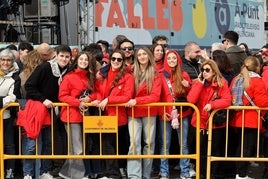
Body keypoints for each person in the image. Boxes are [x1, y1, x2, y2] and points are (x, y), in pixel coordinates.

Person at [21, 45, 71, 179]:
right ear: (56, 55)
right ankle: (27, 173)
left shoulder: (69, 71)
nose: (64, 59)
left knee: (48, 143)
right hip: (37, 110)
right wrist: (43, 100)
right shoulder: (45, 67)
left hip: (52, 112)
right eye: (61, 56)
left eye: (67, 57)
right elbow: (29, 86)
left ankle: (44, 171)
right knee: (32, 144)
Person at [92, 50, 134, 178]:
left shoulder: (128, 77)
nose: (116, 61)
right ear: (110, 59)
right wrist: (98, 99)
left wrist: (109, 100)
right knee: (105, 144)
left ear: (123, 62)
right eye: (114, 59)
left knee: (111, 145)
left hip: (117, 116)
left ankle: (113, 173)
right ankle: (109, 172)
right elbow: (96, 90)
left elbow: (127, 96)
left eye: (119, 59)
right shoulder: (102, 74)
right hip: (103, 115)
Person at [187, 60, 231, 179]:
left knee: (215, 151)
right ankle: (201, 174)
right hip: (199, 123)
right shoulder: (198, 83)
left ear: (214, 71)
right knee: (200, 151)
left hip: (215, 124)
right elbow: (190, 100)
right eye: (203, 70)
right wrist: (200, 84)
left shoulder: (222, 83)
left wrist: (212, 105)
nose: (204, 72)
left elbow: (227, 100)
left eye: (207, 70)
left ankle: (212, 174)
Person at [58, 51, 97, 178]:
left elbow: (96, 93)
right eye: (81, 59)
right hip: (72, 115)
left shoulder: (90, 77)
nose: (84, 61)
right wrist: (77, 102)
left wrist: (90, 99)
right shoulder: (69, 77)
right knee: (77, 148)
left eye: (86, 60)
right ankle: (77, 176)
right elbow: (62, 95)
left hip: (85, 115)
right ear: (76, 60)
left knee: (78, 147)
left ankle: (66, 173)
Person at [125, 46, 161, 179]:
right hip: (133, 113)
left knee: (149, 143)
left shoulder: (155, 73)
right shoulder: (130, 70)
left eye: (144, 54)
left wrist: (137, 101)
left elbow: (155, 96)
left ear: (149, 56)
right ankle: (134, 175)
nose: (141, 57)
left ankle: (146, 174)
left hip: (149, 112)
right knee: (134, 143)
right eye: (139, 55)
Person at [229, 56, 268, 179]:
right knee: (247, 148)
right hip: (251, 120)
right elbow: (263, 102)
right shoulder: (257, 80)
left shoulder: (236, 78)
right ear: (257, 67)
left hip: (237, 117)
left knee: (240, 147)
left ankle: (239, 173)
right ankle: (241, 175)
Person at [158, 50, 192, 179]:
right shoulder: (160, 74)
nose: (171, 60)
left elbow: (191, 96)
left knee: (183, 144)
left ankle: (185, 171)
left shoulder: (184, 75)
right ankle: (164, 171)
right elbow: (158, 96)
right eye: (169, 58)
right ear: (165, 60)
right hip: (166, 113)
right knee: (165, 144)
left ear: (178, 60)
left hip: (182, 114)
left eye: (174, 58)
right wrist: (162, 112)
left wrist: (188, 86)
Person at [0, 48, 21, 178]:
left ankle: (10, 170)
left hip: (7, 116)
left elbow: (12, 97)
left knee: (9, 144)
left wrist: (1, 102)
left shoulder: (15, 77)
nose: (5, 63)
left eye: (8, 60)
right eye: (3, 60)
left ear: (12, 62)